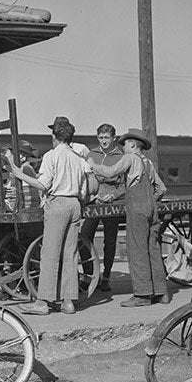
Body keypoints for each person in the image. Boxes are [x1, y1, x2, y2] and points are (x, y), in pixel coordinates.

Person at [8, 116, 95, 316]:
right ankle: (68, 302)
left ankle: (43, 302)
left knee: (49, 254)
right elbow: (85, 189)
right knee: (70, 254)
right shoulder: (77, 157)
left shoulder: (51, 156)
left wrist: (20, 175)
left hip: (58, 204)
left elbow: (44, 184)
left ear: (54, 137)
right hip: (75, 204)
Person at [89, 128, 169, 307]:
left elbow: (110, 172)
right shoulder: (148, 162)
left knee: (137, 249)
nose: (123, 147)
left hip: (137, 209)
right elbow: (162, 189)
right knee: (153, 249)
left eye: (124, 144)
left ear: (132, 144)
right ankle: (162, 292)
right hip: (152, 210)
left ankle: (142, 295)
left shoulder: (130, 157)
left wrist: (92, 165)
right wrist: (150, 200)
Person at [81, 123, 126, 292]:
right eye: (101, 138)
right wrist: (92, 195)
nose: (104, 141)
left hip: (112, 203)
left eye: (107, 138)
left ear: (113, 138)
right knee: (84, 237)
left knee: (110, 240)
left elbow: (124, 186)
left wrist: (113, 196)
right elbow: (84, 178)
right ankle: (89, 275)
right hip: (93, 200)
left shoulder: (121, 156)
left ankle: (106, 277)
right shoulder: (91, 154)